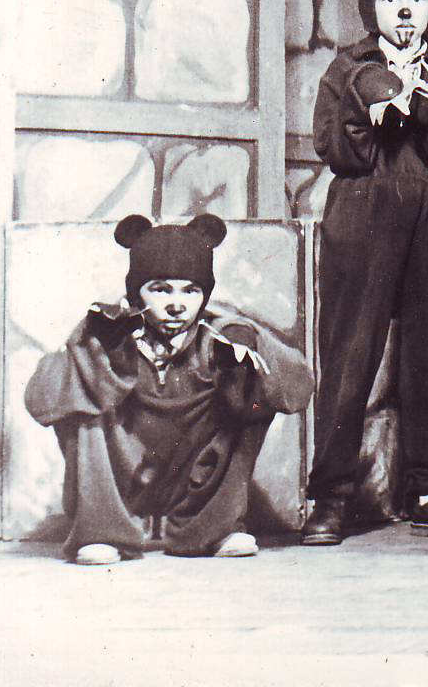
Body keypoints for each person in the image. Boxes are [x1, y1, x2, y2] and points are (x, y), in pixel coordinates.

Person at [302, 0, 428, 546]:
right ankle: (330, 496)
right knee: (349, 353)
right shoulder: (346, 71)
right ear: (369, 6)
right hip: (362, 210)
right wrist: (376, 101)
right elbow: (340, 149)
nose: (404, 10)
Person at [25, 215, 313, 565]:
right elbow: (40, 402)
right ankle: (101, 533)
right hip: (123, 478)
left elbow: (299, 387)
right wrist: (95, 352)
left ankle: (214, 530)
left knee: (253, 391)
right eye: (161, 289)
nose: (177, 304)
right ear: (137, 292)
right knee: (82, 395)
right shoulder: (110, 327)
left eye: (191, 290)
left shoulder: (218, 332)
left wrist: (251, 346)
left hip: (193, 476)